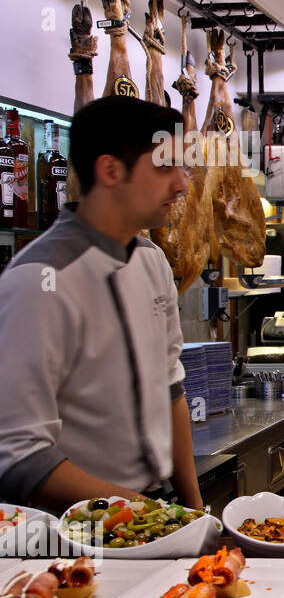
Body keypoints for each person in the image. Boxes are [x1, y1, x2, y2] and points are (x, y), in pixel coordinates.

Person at [0, 97, 201, 511]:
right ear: (110, 170)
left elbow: (171, 391)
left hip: (154, 508)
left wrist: (193, 512)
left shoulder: (151, 260)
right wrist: (153, 515)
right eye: (164, 167)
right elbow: (18, 454)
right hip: (78, 530)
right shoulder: (38, 280)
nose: (181, 184)